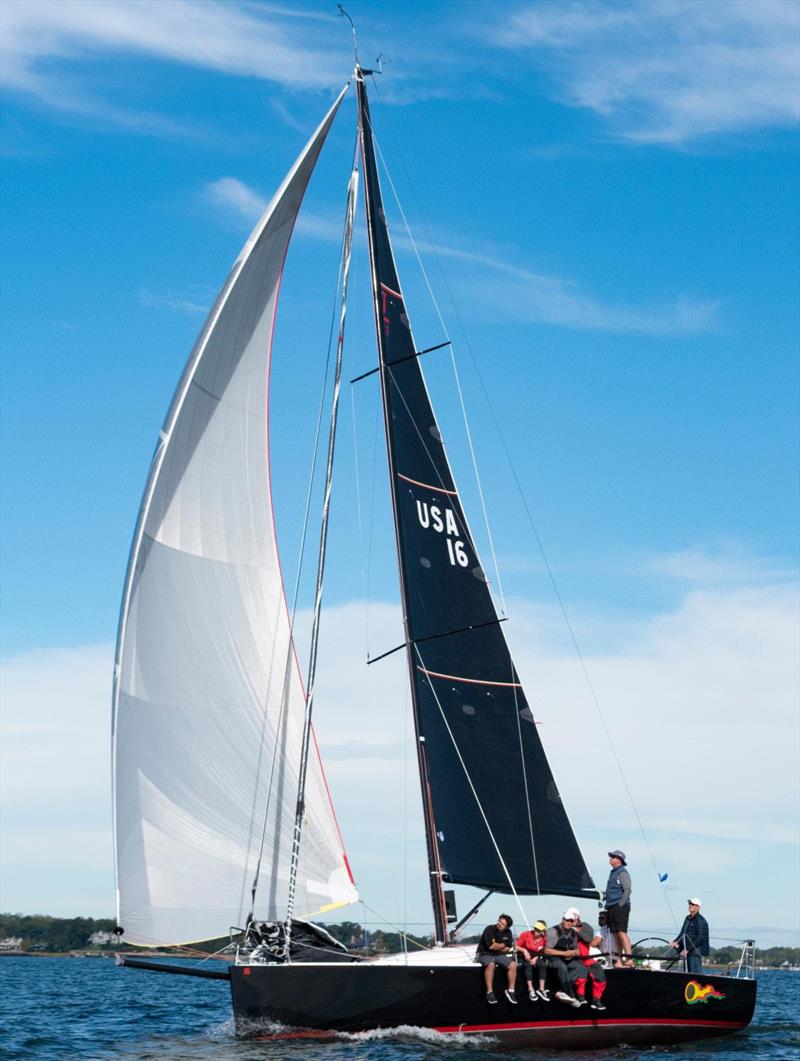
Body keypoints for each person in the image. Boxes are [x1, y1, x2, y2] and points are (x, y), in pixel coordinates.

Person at [544, 908, 585, 1007]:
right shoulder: (553, 931)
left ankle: (562, 992)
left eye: (571, 921)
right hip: (552, 958)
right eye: (567, 920)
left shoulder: (573, 933)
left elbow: (578, 950)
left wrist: (572, 953)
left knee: (580, 967)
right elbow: (546, 950)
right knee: (562, 967)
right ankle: (570, 995)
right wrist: (564, 954)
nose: (568, 922)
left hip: (566, 957)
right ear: (562, 919)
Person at [476, 914, 518, 1004]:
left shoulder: (509, 932)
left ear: (506, 927)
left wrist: (500, 947)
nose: (499, 924)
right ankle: (489, 992)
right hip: (484, 953)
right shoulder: (489, 929)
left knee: (513, 964)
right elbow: (491, 946)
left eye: (502, 924)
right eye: (499, 921)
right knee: (491, 964)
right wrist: (502, 945)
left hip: (498, 954)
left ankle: (511, 991)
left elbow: (508, 948)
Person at [604, 850, 632, 967]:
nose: (610, 858)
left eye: (613, 857)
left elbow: (627, 890)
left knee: (621, 932)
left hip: (619, 906)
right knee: (615, 934)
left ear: (618, 860)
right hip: (611, 906)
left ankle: (629, 959)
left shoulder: (622, 872)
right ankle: (619, 960)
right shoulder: (613, 872)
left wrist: (620, 904)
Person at [574, 921, 608, 1011]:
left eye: (573, 919)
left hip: (586, 958)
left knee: (599, 972)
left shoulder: (585, 927)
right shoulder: (565, 930)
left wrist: (577, 931)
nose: (571, 922)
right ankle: (580, 996)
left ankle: (596, 1000)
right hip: (574, 959)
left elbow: (589, 939)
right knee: (582, 972)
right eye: (568, 920)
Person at [670, 897, 710, 973]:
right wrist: (676, 941)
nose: (690, 906)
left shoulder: (701, 920)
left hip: (695, 952)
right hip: (686, 950)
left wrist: (687, 949)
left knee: (695, 974)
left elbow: (701, 938)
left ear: (698, 907)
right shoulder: (687, 918)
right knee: (687, 973)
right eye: (690, 904)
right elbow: (683, 933)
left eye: (693, 904)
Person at [515, 919, 550, 1001]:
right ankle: (531, 990)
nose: (536, 930)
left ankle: (541, 989)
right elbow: (516, 946)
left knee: (543, 965)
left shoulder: (544, 939)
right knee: (527, 965)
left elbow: (542, 951)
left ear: (543, 931)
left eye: (539, 929)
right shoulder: (525, 934)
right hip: (522, 956)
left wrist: (536, 957)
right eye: (535, 928)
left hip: (534, 956)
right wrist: (524, 950)